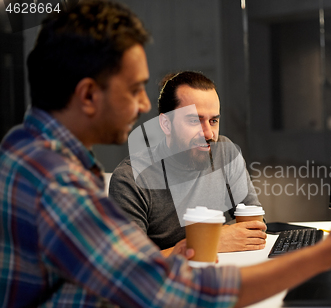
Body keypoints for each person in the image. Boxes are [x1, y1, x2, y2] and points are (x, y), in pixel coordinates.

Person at [0, 1, 331, 308]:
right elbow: (175, 296)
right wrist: (328, 253)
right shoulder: (55, 182)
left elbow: (143, 270)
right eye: (133, 90)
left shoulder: (37, 154)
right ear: (88, 95)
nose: (144, 105)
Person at [109, 71, 267, 256]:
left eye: (213, 120)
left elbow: (255, 228)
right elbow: (128, 266)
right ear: (166, 124)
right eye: (194, 120)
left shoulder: (225, 152)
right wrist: (209, 242)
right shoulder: (130, 178)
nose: (208, 134)